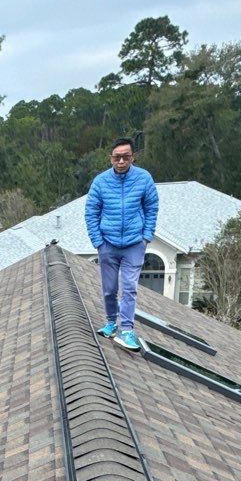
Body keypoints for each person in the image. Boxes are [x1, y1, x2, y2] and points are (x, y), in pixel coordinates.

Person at [84, 138, 159, 351]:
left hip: (134, 244)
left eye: (126, 156)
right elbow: (91, 212)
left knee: (129, 288)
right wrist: (98, 241)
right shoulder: (100, 182)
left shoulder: (144, 178)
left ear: (132, 157)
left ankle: (126, 329)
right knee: (109, 289)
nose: (121, 161)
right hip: (108, 243)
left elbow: (152, 207)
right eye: (117, 157)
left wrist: (146, 237)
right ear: (111, 159)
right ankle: (110, 322)